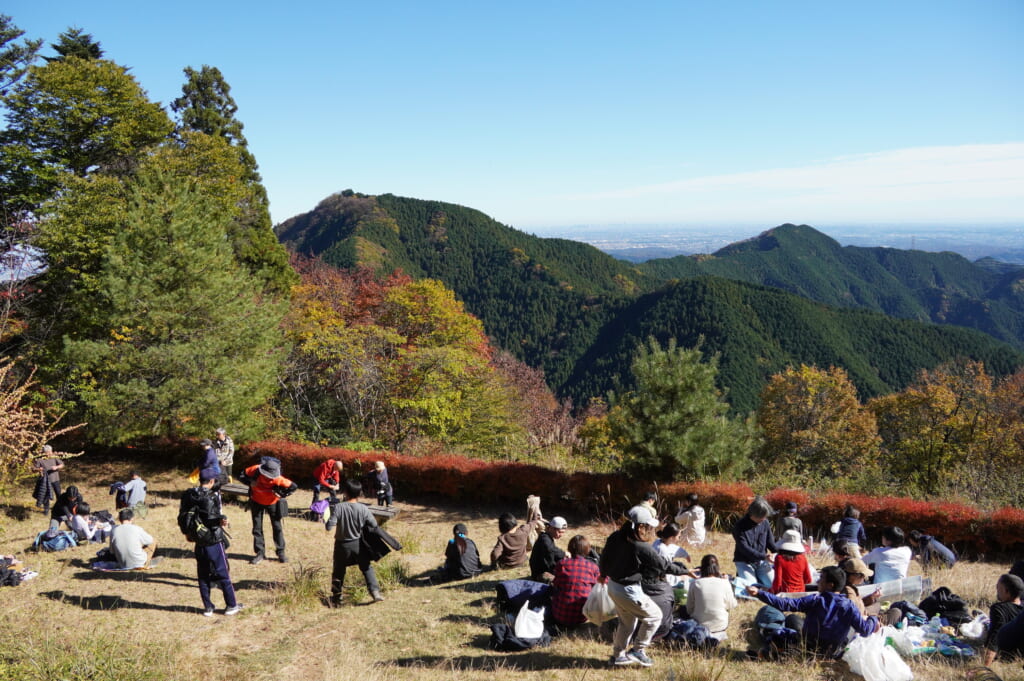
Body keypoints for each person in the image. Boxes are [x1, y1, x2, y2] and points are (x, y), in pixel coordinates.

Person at [599, 506, 687, 667]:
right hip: (628, 590)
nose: (651, 530)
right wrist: (685, 571)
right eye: (649, 527)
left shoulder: (616, 537)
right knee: (654, 617)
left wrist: (603, 574)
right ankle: (638, 650)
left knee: (627, 623)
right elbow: (663, 565)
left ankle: (618, 655)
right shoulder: (641, 547)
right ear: (640, 527)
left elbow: (604, 557)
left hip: (613, 586)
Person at [747, 565, 879, 659]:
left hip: (807, 647)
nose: (817, 581)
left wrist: (759, 593)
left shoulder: (816, 600)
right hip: (833, 654)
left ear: (830, 585)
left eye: (821, 578)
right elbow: (865, 630)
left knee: (782, 628)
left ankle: (770, 652)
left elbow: (785, 604)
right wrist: (873, 618)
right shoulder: (850, 606)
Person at [180, 474, 241, 616]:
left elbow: (183, 516)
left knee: (203, 574)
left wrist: (188, 533)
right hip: (213, 540)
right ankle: (231, 605)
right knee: (223, 573)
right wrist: (222, 521)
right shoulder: (210, 496)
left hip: (198, 539)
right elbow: (211, 518)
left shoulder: (189, 495)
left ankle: (208, 607)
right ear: (212, 481)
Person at [330, 479, 384, 605]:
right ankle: (375, 592)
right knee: (366, 568)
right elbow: (374, 524)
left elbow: (329, 526)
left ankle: (337, 598)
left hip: (341, 545)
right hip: (358, 544)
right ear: (359, 493)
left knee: (338, 570)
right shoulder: (363, 508)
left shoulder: (338, 507)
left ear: (345, 492)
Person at [239, 457, 297, 565]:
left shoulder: (278, 478)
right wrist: (249, 482)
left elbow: (293, 487)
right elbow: (242, 475)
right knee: (257, 528)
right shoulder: (255, 470)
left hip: (273, 503)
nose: (270, 479)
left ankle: (281, 553)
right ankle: (260, 553)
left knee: (277, 528)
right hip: (256, 501)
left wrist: (281, 494)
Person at [551, 535, 600, 629]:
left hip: (560, 615)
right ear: (587, 550)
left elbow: (556, 584)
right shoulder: (593, 567)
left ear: (569, 548)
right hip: (583, 617)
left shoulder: (561, 564)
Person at [686, 554, 738, 640]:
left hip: (699, 624)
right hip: (720, 626)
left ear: (702, 568)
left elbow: (689, 609)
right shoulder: (724, 583)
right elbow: (732, 605)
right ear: (717, 567)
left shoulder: (695, 583)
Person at [733, 496, 777, 592]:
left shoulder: (765, 523)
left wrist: (778, 552)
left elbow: (770, 542)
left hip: (761, 562)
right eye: (762, 517)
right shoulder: (739, 526)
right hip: (745, 562)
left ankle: (758, 580)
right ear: (753, 514)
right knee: (751, 589)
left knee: (774, 586)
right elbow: (744, 549)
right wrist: (764, 556)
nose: (764, 519)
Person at [984, 574, 1024, 665]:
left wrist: (985, 666)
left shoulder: (999, 608)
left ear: (1007, 591)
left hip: (1008, 657)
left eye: (998, 587)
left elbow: (995, 635)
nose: (996, 590)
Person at [771, 529, 813, 594]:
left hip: (785, 594)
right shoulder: (803, 558)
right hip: (801, 594)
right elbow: (808, 579)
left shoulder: (779, 558)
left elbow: (777, 582)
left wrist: (771, 592)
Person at [530, 516, 567, 583]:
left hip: (545, 569)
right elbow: (551, 550)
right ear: (551, 528)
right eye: (559, 532)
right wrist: (564, 554)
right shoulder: (544, 539)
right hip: (540, 574)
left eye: (562, 532)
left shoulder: (547, 537)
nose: (561, 535)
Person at [32, 445, 64, 514]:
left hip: (55, 479)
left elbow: (62, 465)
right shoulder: (40, 459)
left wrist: (56, 467)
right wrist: (38, 469)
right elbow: (33, 469)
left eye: (49, 452)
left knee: (58, 494)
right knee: (46, 496)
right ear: (43, 452)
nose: (48, 454)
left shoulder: (54, 457)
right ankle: (46, 510)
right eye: (46, 452)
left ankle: (60, 508)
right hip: (45, 481)